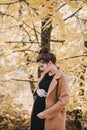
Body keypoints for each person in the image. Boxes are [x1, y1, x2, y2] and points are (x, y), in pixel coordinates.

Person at [30, 47, 70, 130]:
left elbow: (64, 100)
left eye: (42, 66)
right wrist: (37, 91)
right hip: (37, 113)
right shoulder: (44, 74)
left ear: (50, 63)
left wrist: (46, 113)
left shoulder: (61, 78)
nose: (41, 69)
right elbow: (40, 88)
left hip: (49, 118)